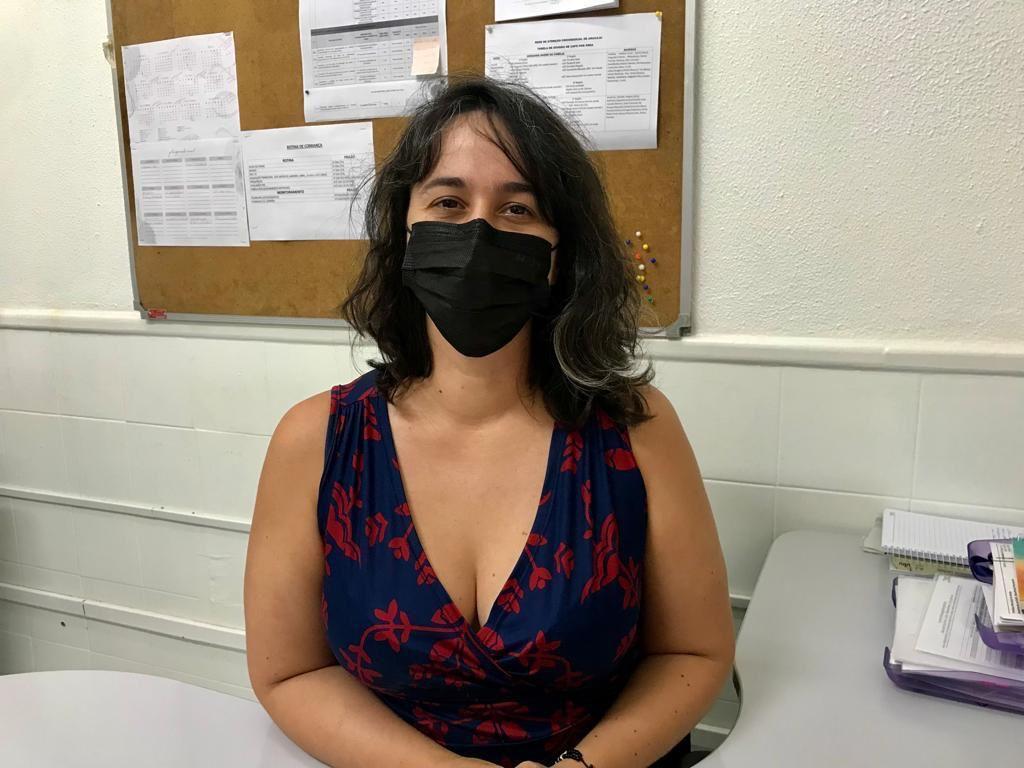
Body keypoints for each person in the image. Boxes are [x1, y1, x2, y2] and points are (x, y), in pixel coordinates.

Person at [243, 76, 734, 768]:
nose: (478, 233)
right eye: (447, 201)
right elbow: (289, 672)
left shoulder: (635, 430)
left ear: (560, 253)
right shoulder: (317, 440)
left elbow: (693, 652)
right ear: (404, 234)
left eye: (517, 209)